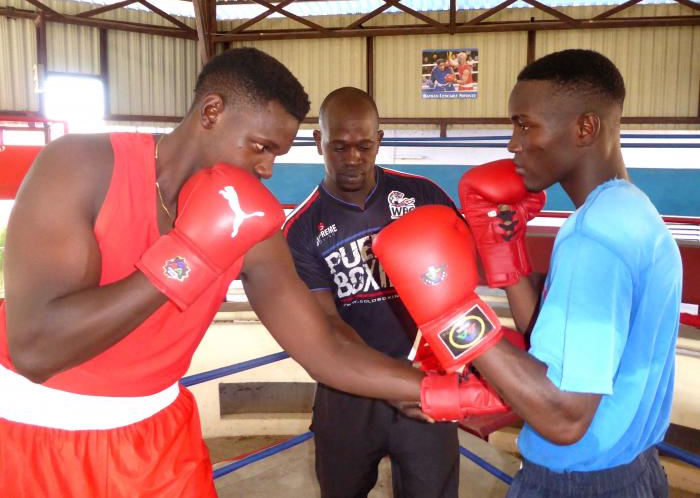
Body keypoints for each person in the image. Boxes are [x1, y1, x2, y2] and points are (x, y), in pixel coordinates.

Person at [0, 48, 482, 497]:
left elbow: (324, 346)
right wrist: (188, 254)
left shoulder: (252, 222)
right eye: (260, 147)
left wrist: (439, 390)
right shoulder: (82, 165)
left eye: (277, 153)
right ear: (212, 112)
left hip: (158, 434)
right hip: (36, 434)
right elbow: (37, 348)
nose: (268, 169)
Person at [376, 49, 682, 497]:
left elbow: (564, 417)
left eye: (525, 124)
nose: (513, 143)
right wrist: (507, 256)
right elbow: (558, 350)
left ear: (585, 128)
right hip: (634, 470)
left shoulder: (592, 238)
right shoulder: (633, 212)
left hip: (578, 484)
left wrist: (452, 313)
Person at [284, 87, 462, 498]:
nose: (352, 159)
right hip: (348, 390)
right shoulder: (302, 229)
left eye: (364, 146)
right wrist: (388, 381)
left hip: (425, 378)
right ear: (318, 142)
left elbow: (458, 288)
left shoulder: (424, 198)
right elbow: (325, 323)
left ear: (379, 140)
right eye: (339, 146)